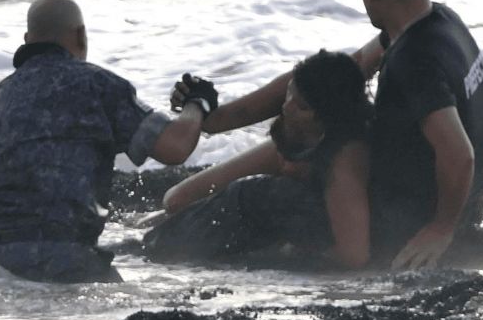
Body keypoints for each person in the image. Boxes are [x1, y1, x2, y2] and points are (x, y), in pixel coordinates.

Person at [175, 0, 483, 270]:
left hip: (403, 223)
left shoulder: (414, 62)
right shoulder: (438, 20)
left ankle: (163, 246)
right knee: (302, 135)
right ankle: (178, 208)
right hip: (466, 207)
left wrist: (440, 229)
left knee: (249, 196)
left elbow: (460, 154)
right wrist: (219, 118)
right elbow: (344, 71)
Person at [0, 0, 219, 283]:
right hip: (55, 254)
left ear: (27, 40)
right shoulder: (97, 84)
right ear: (80, 35)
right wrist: (197, 102)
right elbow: (175, 147)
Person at [144, 50, 371, 269]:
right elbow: (216, 122)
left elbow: (354, 256)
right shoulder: (294, 129)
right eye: (289, 94)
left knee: (247, 195)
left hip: (310, 221)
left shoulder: (344, 159)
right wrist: (196, 101)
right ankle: (148, 233)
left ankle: (152, 246)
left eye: (301, 106)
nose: (286, 107)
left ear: (327, 119)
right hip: (292, 189)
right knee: (176, 201)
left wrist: (285, 253)